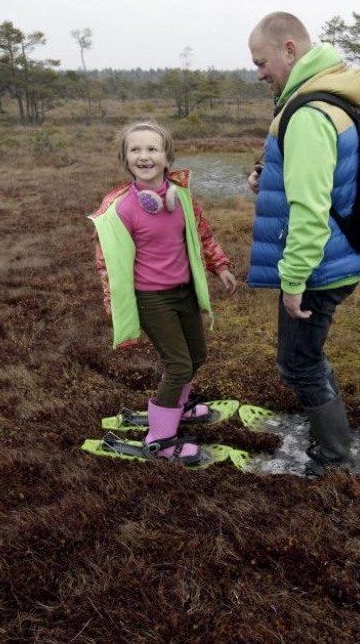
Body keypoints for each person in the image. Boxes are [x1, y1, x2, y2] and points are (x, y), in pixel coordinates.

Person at [246, 12, 360, 477]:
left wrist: (294, 279)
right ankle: (332, 439)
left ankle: (334, 458)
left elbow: (311, 208)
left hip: (318, 265)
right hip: (334, 255)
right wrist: (271, 176)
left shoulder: (308, 112)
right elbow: (321, 176)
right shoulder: (325, 96)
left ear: (290, 51)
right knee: (304, 358)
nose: (258, 72)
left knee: (298, 363)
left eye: (261, 61)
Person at [89, 120, 236, 464]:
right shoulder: (120, 209)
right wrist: (114, 303)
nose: (144, 155)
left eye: (152, 148)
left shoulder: (181, 195)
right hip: (152, 299)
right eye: (135, 149)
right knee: (180, 365)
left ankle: (176, 407)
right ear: (125, 159)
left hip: (184, 292)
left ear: (167, 157)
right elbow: (107, 262)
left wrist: (222, 266)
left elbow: (202, 234)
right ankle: (161, 438)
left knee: (197, 356)